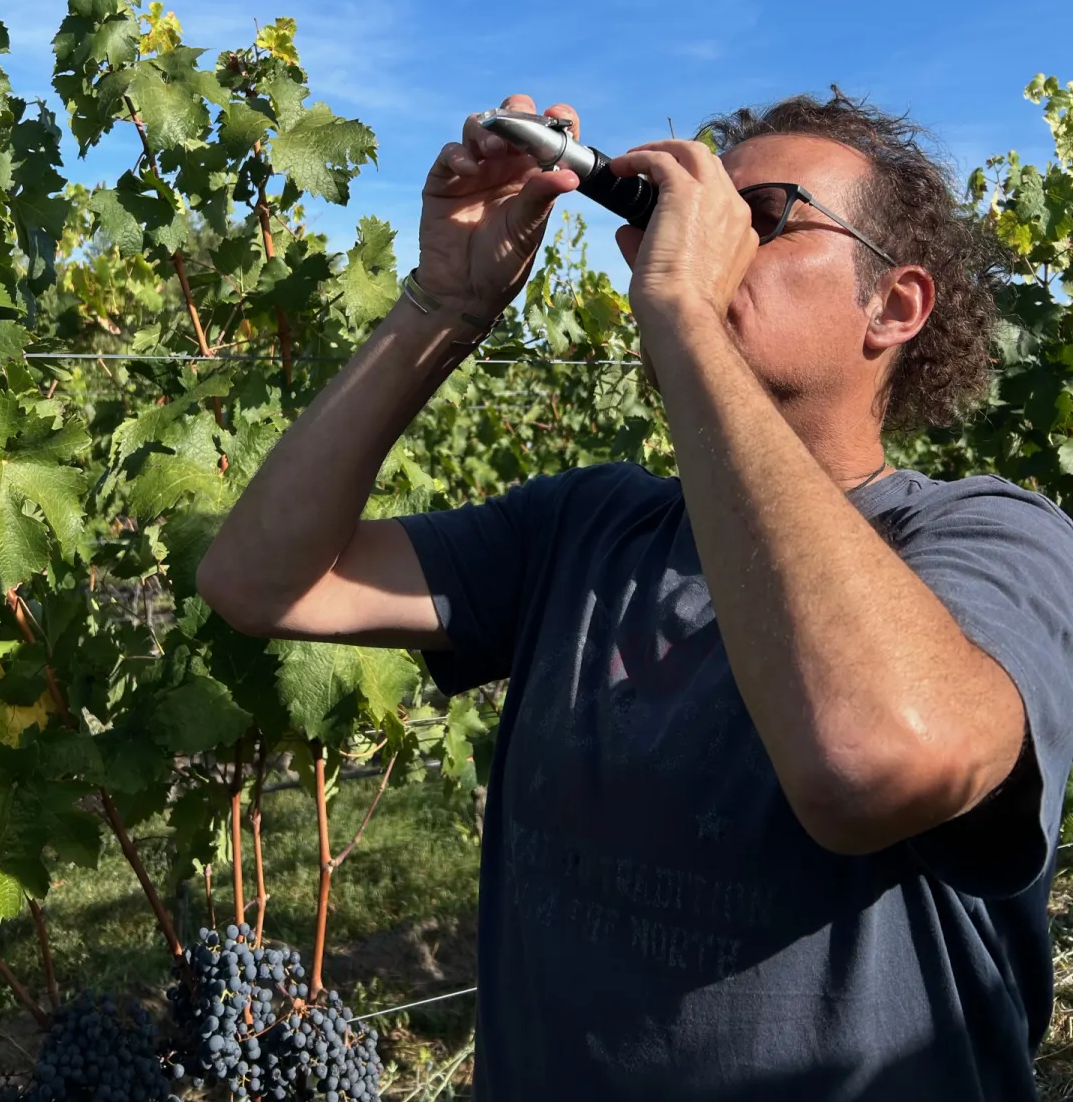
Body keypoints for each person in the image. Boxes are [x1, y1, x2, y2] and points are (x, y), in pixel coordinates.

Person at [196, 88, 1073, 1101]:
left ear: (895, 305)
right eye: (691, 219)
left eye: (759, 218)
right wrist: (443, 304)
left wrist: (693, 317)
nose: (701, 245)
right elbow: (257, 581)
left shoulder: (994, 539)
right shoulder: (584, 527)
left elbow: (871, 761)